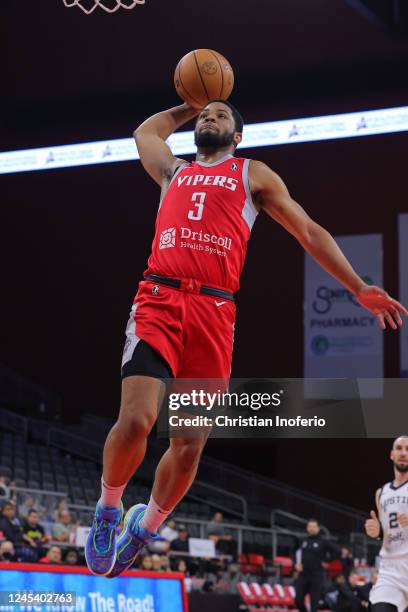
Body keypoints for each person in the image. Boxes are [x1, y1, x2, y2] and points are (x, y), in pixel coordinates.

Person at [85, 98, 408, 578]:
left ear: (238, 136)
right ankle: (108, 513)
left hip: (214, 311)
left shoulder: (252, 174)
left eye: (220, 115)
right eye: (206, 116)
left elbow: (308, 230)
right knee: (136, 420)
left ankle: (145, 528)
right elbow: (144, 134)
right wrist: (188, 104)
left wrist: (357, 286)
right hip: (159, 298)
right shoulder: (173, 171)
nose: (210, 119)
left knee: (189, 442)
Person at [365, 436, 408, 612]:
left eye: (407, 448)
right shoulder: (381, 493)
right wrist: (378, 532)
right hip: (392, 572)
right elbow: (388, 531)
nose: (403, 453)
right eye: (399, 448)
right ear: (392, 454)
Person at [295, 518, 341, 612]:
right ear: (307, 528)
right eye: (310, 526)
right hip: (303, 575)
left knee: (314, 604)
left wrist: (327, 561)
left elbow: (338, 551)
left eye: (314, 527)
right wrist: (295, 563)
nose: (311, 529)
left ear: (318, 528)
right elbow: (293, 551)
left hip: (317, 576)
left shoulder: (323, 541)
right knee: (298, 600)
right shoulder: (302, 540)